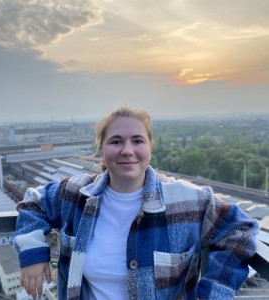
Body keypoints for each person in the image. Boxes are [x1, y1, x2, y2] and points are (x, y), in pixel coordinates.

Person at [13, 106, 259, 300]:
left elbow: (240, 230)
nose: (127, 150)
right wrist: (33, 253)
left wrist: (213, 293)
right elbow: (34, 203)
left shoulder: (187, 200)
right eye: (116, 141)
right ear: (102, 149)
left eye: (138, 141)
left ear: (150, 147)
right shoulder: (76, 194)